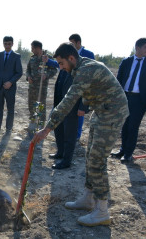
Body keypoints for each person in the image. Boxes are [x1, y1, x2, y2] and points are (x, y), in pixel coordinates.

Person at [32, 43, 129, 226]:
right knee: (89, 156)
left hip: (112, 113)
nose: (60, 67)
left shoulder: (86, 69)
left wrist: (47, 128)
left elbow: (69, 100)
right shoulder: (80, 67)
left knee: (97, 160)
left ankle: (102, 211)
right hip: (101, 112)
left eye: (61, 63)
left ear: (71, 58)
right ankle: (88, 198)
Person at [111, 38, 146, 163]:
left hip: (139, 100)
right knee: (124, 125)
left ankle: (129, 154)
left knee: (133, 127)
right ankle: (123, 150)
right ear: (138, 48)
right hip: (124, 97)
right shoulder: (126, 62)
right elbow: (118, 81)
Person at [0, 36, 22, 132]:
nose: (7, 45)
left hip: (10, 87)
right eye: (5, 43)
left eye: (9, 43)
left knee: (10, 108)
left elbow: (19, 72)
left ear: (12, 44)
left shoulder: (16, 56)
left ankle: (8, 128)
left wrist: (11, 82)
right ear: (3, 43)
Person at [49, 68, 80, 169]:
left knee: (69, 135)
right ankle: (60, 152)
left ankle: (66, 161)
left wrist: (83, 107)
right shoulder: (63, 68)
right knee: (59, 130)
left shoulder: (79, 68)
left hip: (72, 108)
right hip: (60, 105)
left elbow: (85, 90)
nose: (59, 65)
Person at [26, 40, 58, 131]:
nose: (31, 50)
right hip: (32, 87)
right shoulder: (32, 58)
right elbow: (28, 70)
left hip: (41, 87)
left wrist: (46, 75)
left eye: (32, 48)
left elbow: (54, 70)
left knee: (40, 106)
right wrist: (28, 76)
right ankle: (32, 122)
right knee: (31, 105)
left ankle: (40, 125)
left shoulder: (47, 58)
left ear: (38, 48)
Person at [69, 34, 95, 142]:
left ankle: (77, 135)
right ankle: (70, 132)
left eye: (72, 43)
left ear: (78, 43)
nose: (70, 45)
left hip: (83, 88)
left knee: (80, 112)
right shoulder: (69, 54)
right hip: (72, 87)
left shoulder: (88, 54)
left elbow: (91, 74)